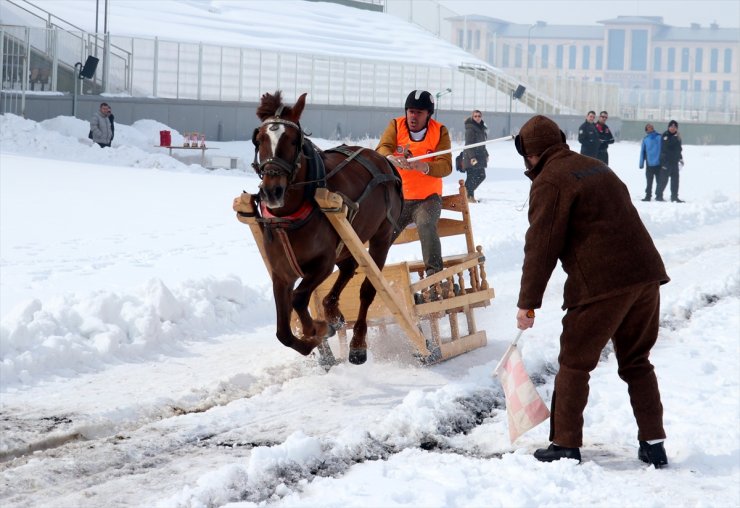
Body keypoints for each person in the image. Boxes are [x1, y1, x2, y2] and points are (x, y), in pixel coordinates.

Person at [513, 114, 670, 468]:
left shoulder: (550, 181)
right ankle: (654, 442)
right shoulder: (597, 167)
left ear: (530, 153)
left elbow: (541, 247)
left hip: (602, 284)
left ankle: (565, 445)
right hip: (645, 276)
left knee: (574, 363)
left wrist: (527, 303)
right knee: (637, 362)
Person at [376, 89, 452, 276]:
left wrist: (424, 167)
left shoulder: (440, 131)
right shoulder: (395, 125)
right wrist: (390, 157)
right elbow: (382, 147)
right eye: (410, 111)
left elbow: (446, 166)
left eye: (419, 112)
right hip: (399, 199)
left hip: (428, 199)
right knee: (381, 232)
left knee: (426, 224)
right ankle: (370, 272)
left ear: (428, 115)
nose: (413, 116)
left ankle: (434, 275)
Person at [461, 109, 489, 203]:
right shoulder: (470, 128)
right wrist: (472, 157)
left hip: (480, 155)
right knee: (472, 177)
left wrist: (486, 154)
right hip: (471, 156)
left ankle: (466, 193)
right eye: (475, 116)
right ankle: (469, 197)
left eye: (479, 116)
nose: (477, 118)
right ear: (472, 117)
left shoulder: (481, 128)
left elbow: (482, 144)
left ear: (481, 117)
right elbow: (468, 144)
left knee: (481, 175)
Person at [658, 120, 684, 203]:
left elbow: (678, 149)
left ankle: (674, 197)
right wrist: (675, 138)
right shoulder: (665, 136)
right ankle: (659, 196)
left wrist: (680, 158)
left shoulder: (677, 137)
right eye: (671, 126)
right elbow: (667, 147)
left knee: (675, 181)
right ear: (668, 127)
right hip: (666, 162)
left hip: (674, 162)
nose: (673, 128)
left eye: (675, 127)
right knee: (663, 180)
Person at [639, 123, 663, 201]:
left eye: (651, 126)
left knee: (659, 182)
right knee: (649, 182)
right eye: (648, 127)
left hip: (659, 164)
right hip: (649, 164)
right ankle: (648, 196)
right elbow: (642, 152)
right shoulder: (645, 139)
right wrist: (641, 163)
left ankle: (659, 196)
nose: (650, 127)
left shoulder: (659, 137)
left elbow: (664, 149)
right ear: (646, 130)